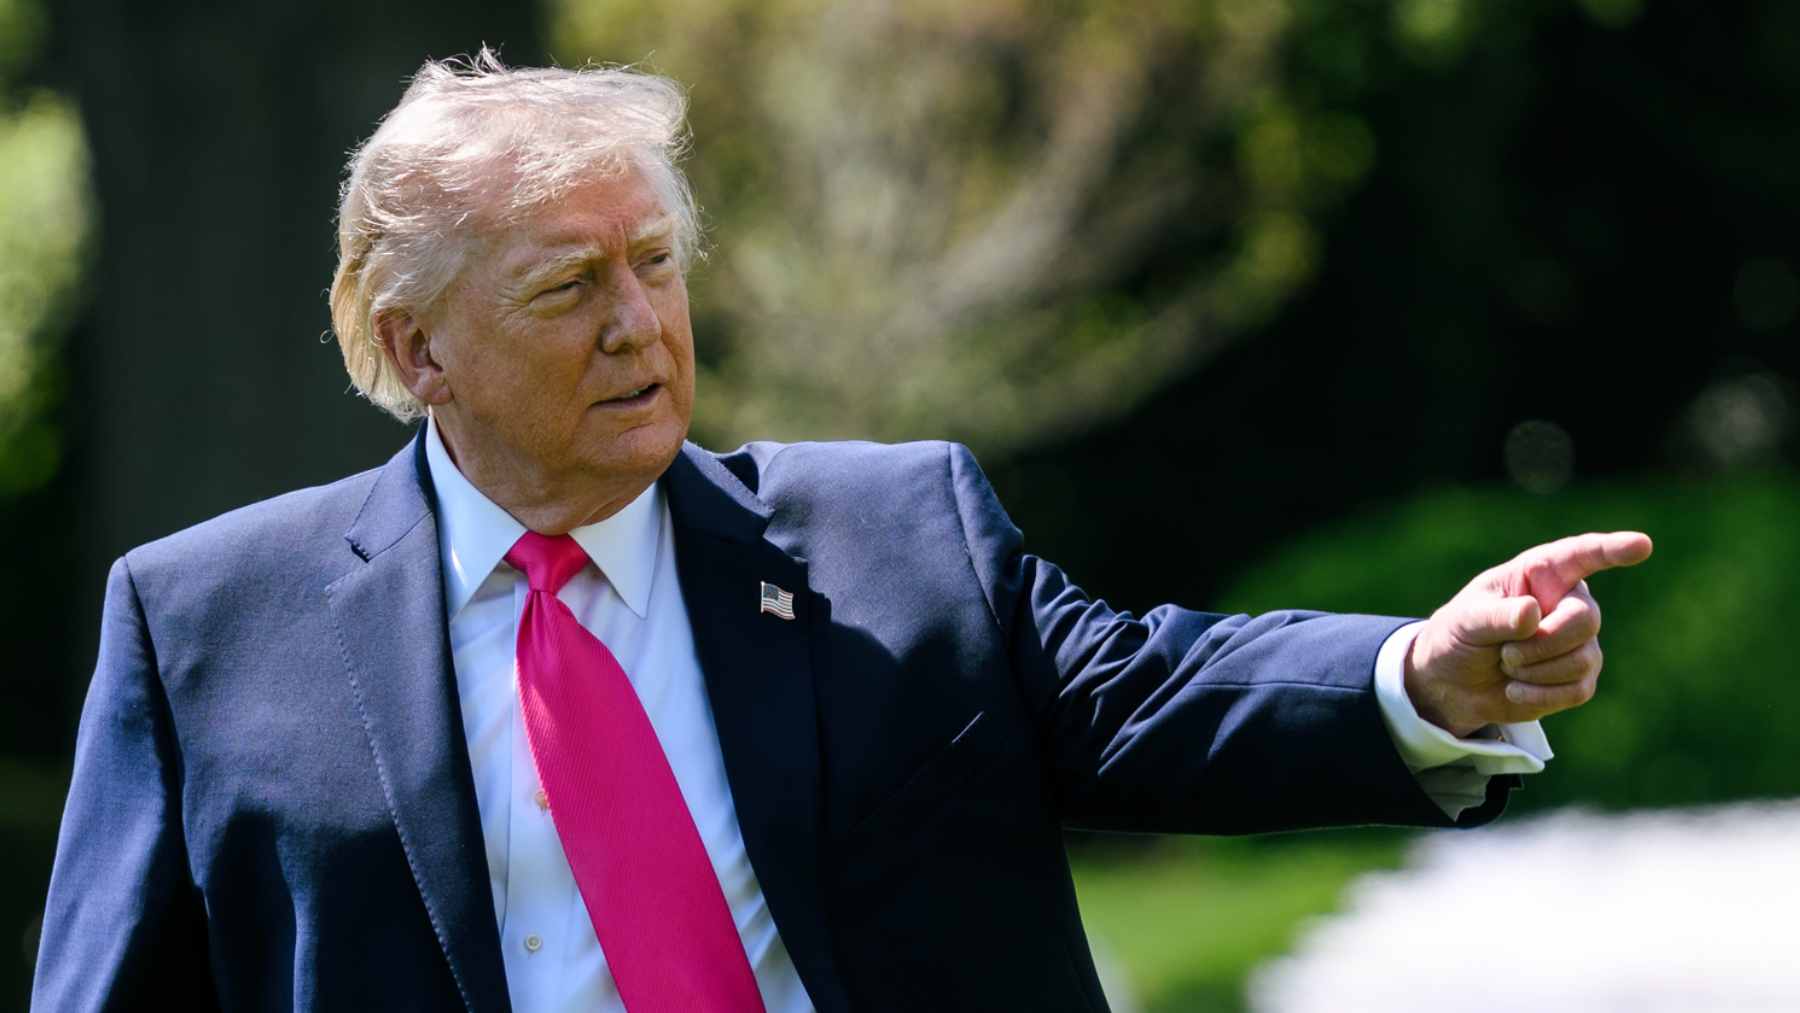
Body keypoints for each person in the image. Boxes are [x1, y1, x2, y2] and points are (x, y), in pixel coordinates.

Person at [32, 52, 1651, 1012]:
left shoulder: (896, 534)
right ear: (413, 346)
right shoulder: (204, 630)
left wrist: (1426, 673)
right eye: (566, 285)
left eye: (654, 262)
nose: (638, 321)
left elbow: (1152, 697)